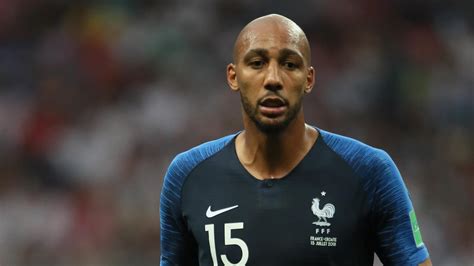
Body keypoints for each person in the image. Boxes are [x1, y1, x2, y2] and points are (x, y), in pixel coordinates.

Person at [160, 14, 431, 265]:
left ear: (309, 79)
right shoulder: (188, 176)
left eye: (290, 64)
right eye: (257, 63)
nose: (273, 79)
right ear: (233, 76)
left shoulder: (368, 171)